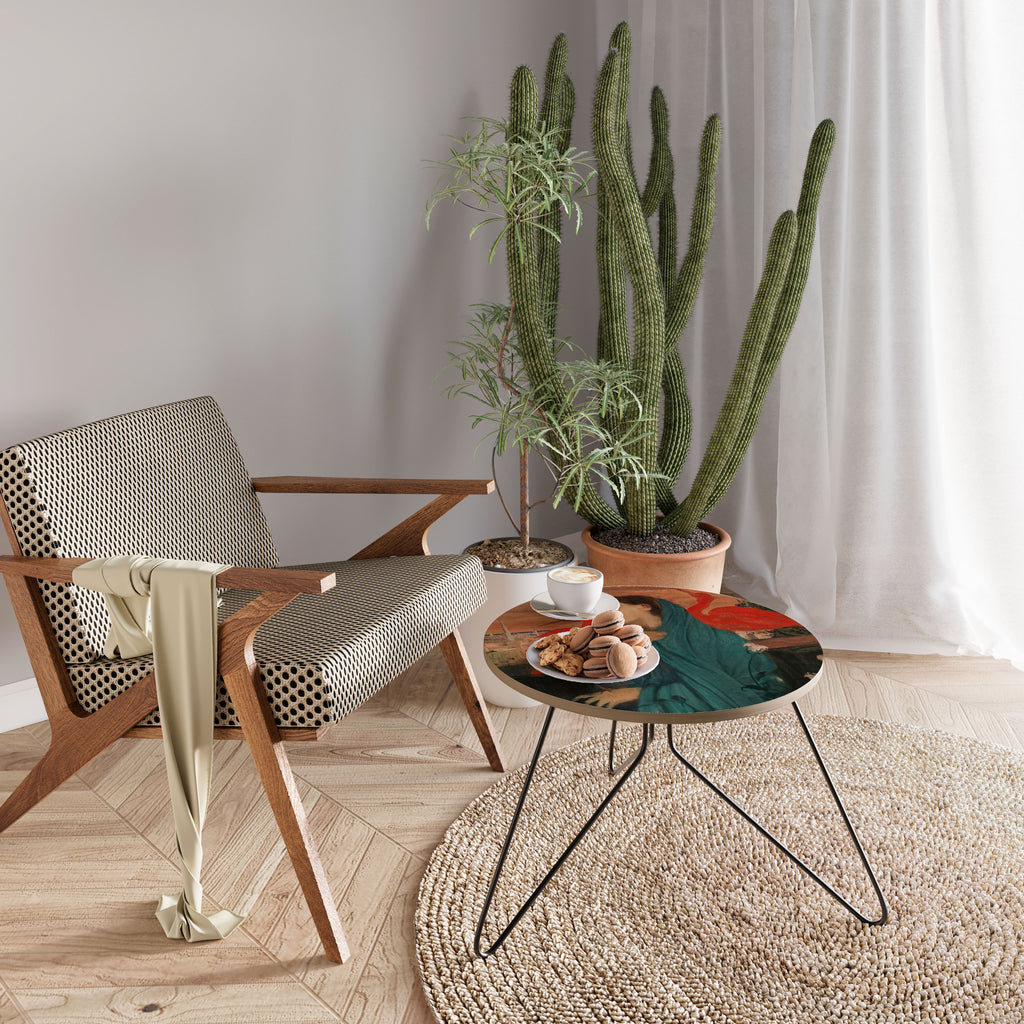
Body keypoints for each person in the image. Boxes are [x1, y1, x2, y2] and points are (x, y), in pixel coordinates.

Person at [581, 594, 793, 714]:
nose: (609, 616)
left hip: (751, 689)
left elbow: (719, 684)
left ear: (645, 606)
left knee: (655, 709)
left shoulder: (699, 635)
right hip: (689, 694)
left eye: (616, 609)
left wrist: (636, 694)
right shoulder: (637, 641)